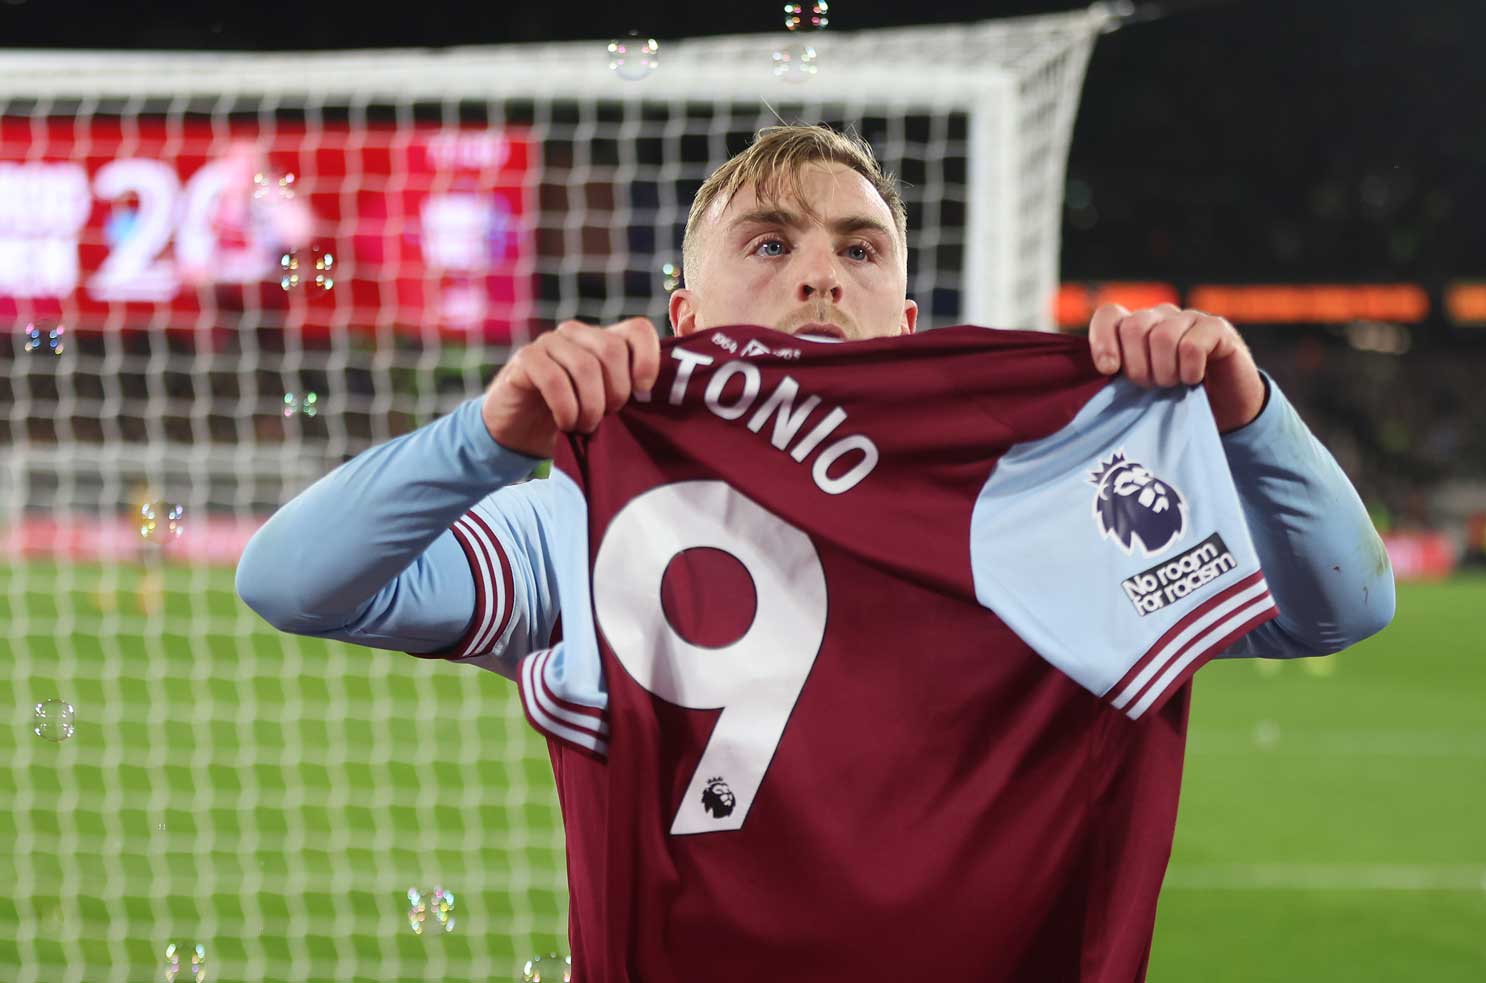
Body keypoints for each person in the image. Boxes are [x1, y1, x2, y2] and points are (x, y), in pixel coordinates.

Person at [237, 124, 1394, 981]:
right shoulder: (584, 514)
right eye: (771, 241)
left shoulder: (1037, 504)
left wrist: (1247, 411)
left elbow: (1339, 605)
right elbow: (288, 580)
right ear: (683, 317)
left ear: (903, 318)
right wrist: (483, 436)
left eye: (859, 245)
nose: (818, 273)